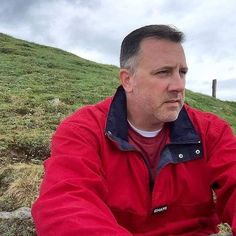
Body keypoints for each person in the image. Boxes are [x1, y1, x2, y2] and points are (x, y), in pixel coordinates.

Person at [32, 25, 236, 235]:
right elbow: (66, 205)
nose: (179, 85)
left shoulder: (212, 131)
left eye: (182, 72)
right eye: (163, 72)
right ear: (128, 80)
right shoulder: (83, 130)